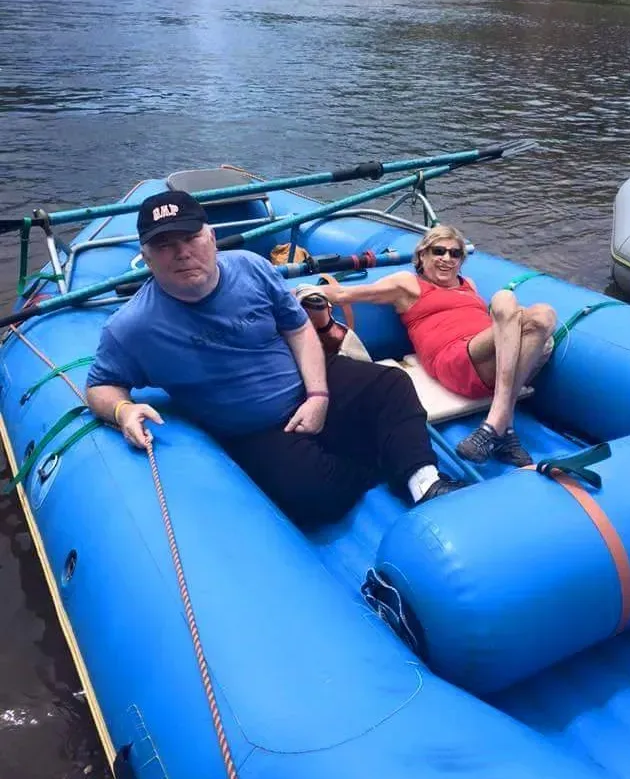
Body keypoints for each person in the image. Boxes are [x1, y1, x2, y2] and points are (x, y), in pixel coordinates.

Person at [85, 191, 464, 529]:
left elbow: (299, 329)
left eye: (190, 237)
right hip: (254, 428)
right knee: (312, 496)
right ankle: (376, 463)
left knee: (391, 383)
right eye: (165, 244)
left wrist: (317, 395)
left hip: (306, 384)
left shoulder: (251, 268)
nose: (182, 252)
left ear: (211, 238)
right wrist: (122, 411)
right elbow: (100, 384)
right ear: (147, 257)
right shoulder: (133, 326)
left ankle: (425, 483)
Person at [314, 224, 557, 467]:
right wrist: (297, 292)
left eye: (455, 253)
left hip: (494, 361)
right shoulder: (408, 284)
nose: (446, 259)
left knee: (544, 315)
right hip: (453, 359)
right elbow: (346, 294)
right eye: (438, 251)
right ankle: (503, 423)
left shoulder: (468, 284)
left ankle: (497, 425)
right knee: (505, 299)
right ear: (422, 255)